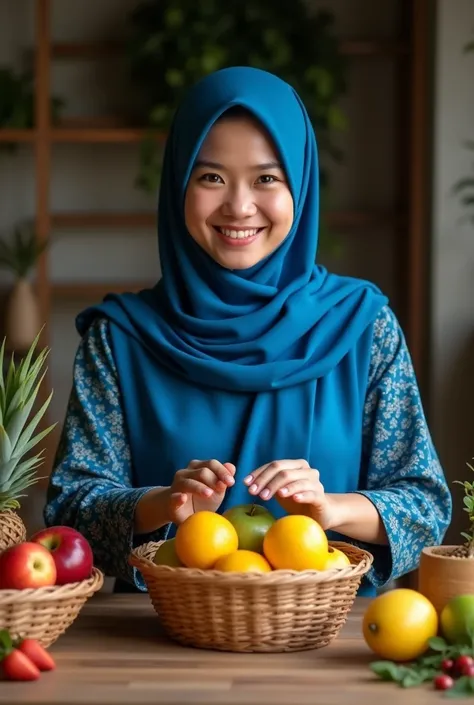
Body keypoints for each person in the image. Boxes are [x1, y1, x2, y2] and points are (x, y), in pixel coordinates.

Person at [44, 66, 452, 596]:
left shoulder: (362, 326)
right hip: (159, 644)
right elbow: (71, 508)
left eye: (267, 178)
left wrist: (331, 509)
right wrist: (163, 503)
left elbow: (425, 503)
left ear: (300, 186)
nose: (239, 207)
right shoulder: (120, 339)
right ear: (178, 185)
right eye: (211, 176)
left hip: (331, 644)